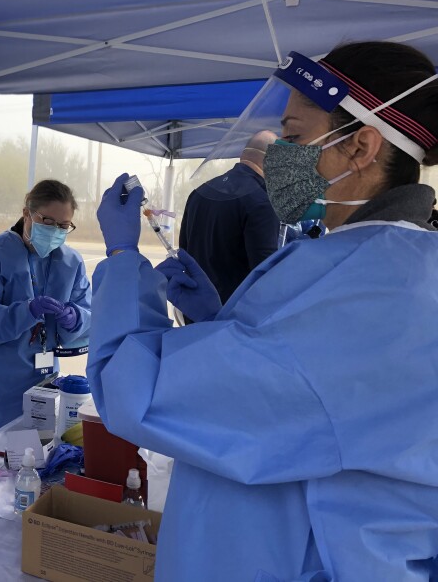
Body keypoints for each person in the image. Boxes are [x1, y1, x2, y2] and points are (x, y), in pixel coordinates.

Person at [89, 41, 438, 581]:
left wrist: (120, 261)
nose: (281, 156)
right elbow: (303, 399)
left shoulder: (370, 285)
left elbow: (136, 391)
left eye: (296, 138)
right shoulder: (395, 265)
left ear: (362, 147)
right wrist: (222, 325)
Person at [0, 179, 91, 445]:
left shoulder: (71, 262)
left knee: (37, 452)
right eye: (48, 222)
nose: (55, 231)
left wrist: (76, 318)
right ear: (26, 213)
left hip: (45, 381)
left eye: (63, 226)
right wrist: (25, 313)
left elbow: (88, 311)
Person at [178, 130, 279, 313]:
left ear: (244, 155)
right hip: (233, 317)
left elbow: (184, 251)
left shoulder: (199, 193)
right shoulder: (261, 201)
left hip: (195, 309)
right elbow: (265, 272)